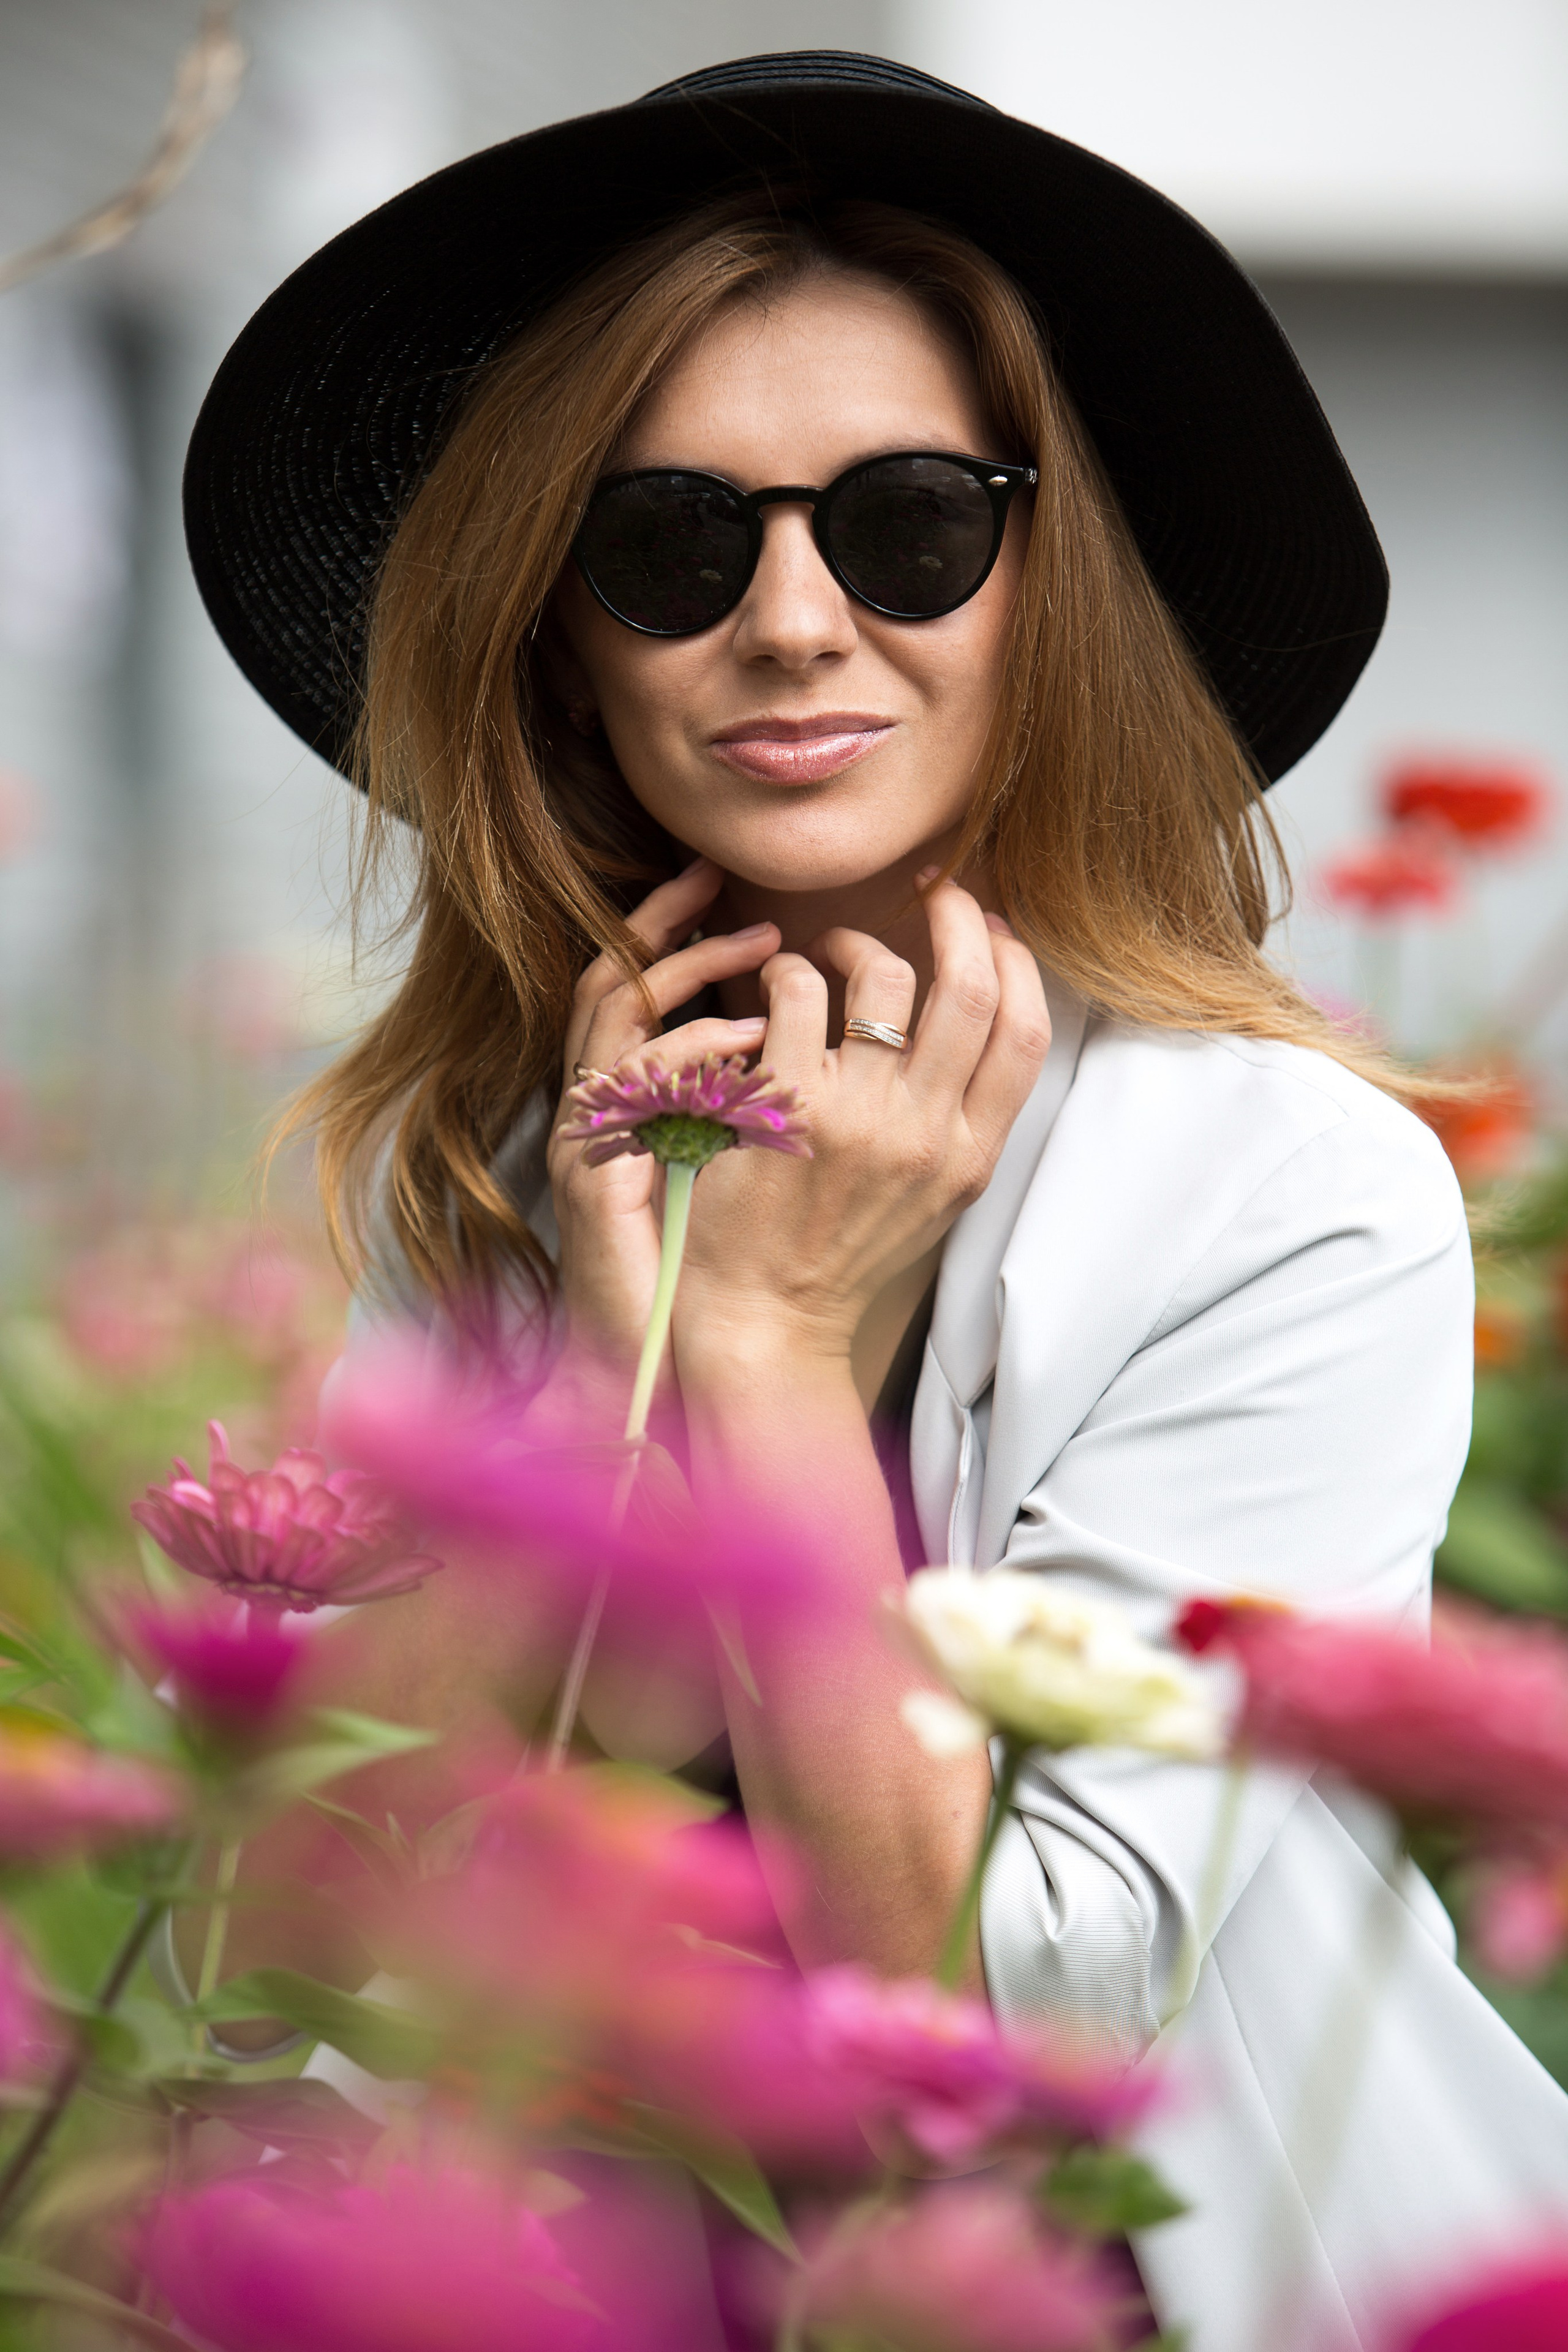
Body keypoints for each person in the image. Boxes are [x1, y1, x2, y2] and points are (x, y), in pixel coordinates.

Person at [181, 53, 1568, 2352]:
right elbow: (297, 1918)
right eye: (671, 542)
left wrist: (764, 1358)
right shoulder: (504, 1166)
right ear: (566, 638)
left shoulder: (1294, 1198)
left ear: (1048, 589)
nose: (797, 622)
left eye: (912, 522)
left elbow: (1009, 2015)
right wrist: (615, 1387)